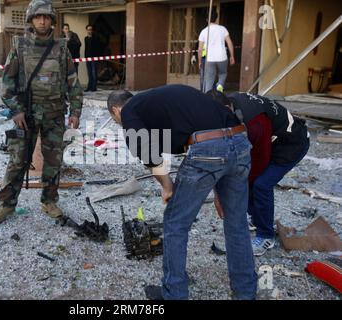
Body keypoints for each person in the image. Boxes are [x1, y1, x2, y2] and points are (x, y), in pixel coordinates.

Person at [107, 85, 257, 300]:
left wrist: (167, 186)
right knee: (236, 223)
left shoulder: (130, 111)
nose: (121, 125)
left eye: (116, 121)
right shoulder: (160, 103)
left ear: (116, 111)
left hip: (209, 147)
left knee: (175, 223)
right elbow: (218, 139)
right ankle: (245, 293)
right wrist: (217, 189)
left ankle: (174, 294)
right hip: (240, 142)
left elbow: (148, 152)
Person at [0, 0, 83, 224]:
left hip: (54, 114)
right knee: (18, 160)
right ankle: (6, 204)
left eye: (46, 17)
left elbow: (73, 83)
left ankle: (49, 200)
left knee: (53, 161)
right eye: (38, 17)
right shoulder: (19, 47)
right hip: (26, 115)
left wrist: (75, 111)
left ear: (52, 21)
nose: (42, 21)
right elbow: (7, 85)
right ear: (31, 19)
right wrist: (16, 111)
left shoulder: (61, 49)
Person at [207, 90, 310, 256]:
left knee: (260, 184)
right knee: (244, 177)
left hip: (292, 144)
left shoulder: (255, 122)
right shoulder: (230, 105)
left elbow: (260, 160)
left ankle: (265, 236)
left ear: (227, 107)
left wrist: (238, 184)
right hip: (273, 140)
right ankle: (254, 218)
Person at [198, 9, 235, 93]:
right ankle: (220, 86)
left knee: (209, 80)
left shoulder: (204, 31)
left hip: (209, 59)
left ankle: (208, 97)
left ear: (207, 19)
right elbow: (230, 43)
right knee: (223, 74)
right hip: (222, 57)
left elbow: (200, 50)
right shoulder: (223, 29)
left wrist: (200, 61)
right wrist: (232, 56)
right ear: (216, 18)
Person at [84, 24, 100, 92]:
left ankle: (94, 87)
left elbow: (97, 48)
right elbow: (86, 48)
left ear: (92, 30)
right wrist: (85, 57)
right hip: (88, 58)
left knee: (94, 72)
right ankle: (89, 87)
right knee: (89, 72)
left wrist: (97, 57)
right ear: (86, 30)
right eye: (88, 29)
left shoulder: (95, 38)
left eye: (90, 29)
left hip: (94, 57)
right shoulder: (86, 38)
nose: (89, 31)